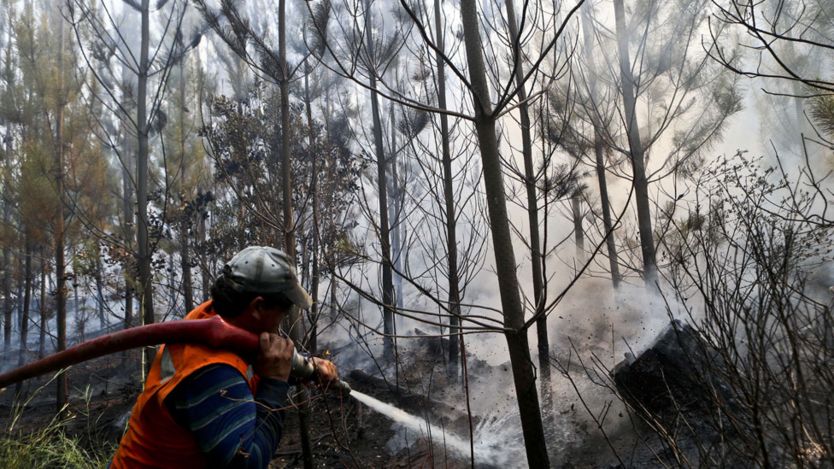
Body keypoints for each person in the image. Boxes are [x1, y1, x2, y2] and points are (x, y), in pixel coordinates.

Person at [110, 246, 338, 468]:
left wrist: (307, 366)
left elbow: (254, 355)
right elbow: (248, 462)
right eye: (283, 311)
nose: (283, 320)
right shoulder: (212, 373)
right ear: (258, 306)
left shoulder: (215, 320)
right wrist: (275, 384)